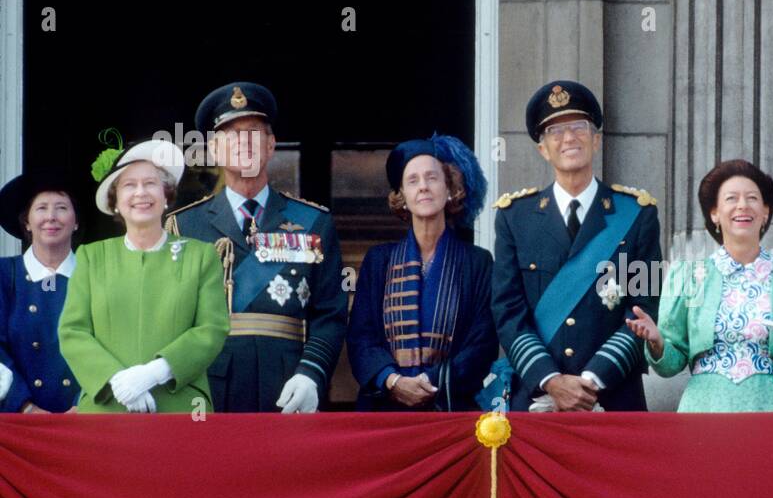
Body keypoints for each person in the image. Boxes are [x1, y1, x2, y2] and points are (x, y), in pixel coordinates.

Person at [166, 82, 347, 412]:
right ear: (214, 149)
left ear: (271, 145)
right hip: (209, 388)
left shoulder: (312, 222)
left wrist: (311, 373)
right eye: (231, 135)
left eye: (253, 133)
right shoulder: (184, 227)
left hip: (289, 383)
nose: (243, 143)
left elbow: (330, 313)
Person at [491, 80, 663, 412]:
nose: (568, 138)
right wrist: (551, 380)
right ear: (543, 148)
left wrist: (593, 380)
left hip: (613, 398)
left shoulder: (639, 214)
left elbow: (645, 308)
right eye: (555, 131)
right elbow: (508, 312)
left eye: (578, 127)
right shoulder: (515, 218)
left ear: (596, 140)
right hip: (539, 397)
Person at [625, 160, 773, 412]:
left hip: (769, 408)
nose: (742, 205)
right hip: (704, 410)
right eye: (731, 198)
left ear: (765, 212)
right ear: (714, 214)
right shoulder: (687, 277)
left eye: (752, 198)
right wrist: (657, 341)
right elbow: (669, 366)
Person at [58, 138, 229, 413]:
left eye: (150, 183)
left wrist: (154, 373)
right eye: (129, 185)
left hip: (181, 407)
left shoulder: (201, 256)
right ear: (115, 202)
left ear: (166, 196)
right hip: (107, 405)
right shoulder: (90, 257)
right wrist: (117, 380)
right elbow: (72, 331)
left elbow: (212, 328)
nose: (141, 193)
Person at [347, 135, 497, 410]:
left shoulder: (477, 262)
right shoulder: (379, 261)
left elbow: (482, 342)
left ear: (451, 188)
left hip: (452, 408)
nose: (424, 187)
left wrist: (430, 382)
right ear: (402, 196)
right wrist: (392, 381)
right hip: (385, 410)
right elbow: (361, 337)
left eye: (432, 178)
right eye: (413, 181)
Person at [0, 168, 84, 412]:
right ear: (26, 221)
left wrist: (85, 404)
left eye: (61, 207)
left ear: (76, 221)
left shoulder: (95, 276)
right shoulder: (4, 275)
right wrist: (25, 406)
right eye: (41, 208)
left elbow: (111, 344)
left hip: (85, 421)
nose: (51, 217)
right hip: (16, 423)